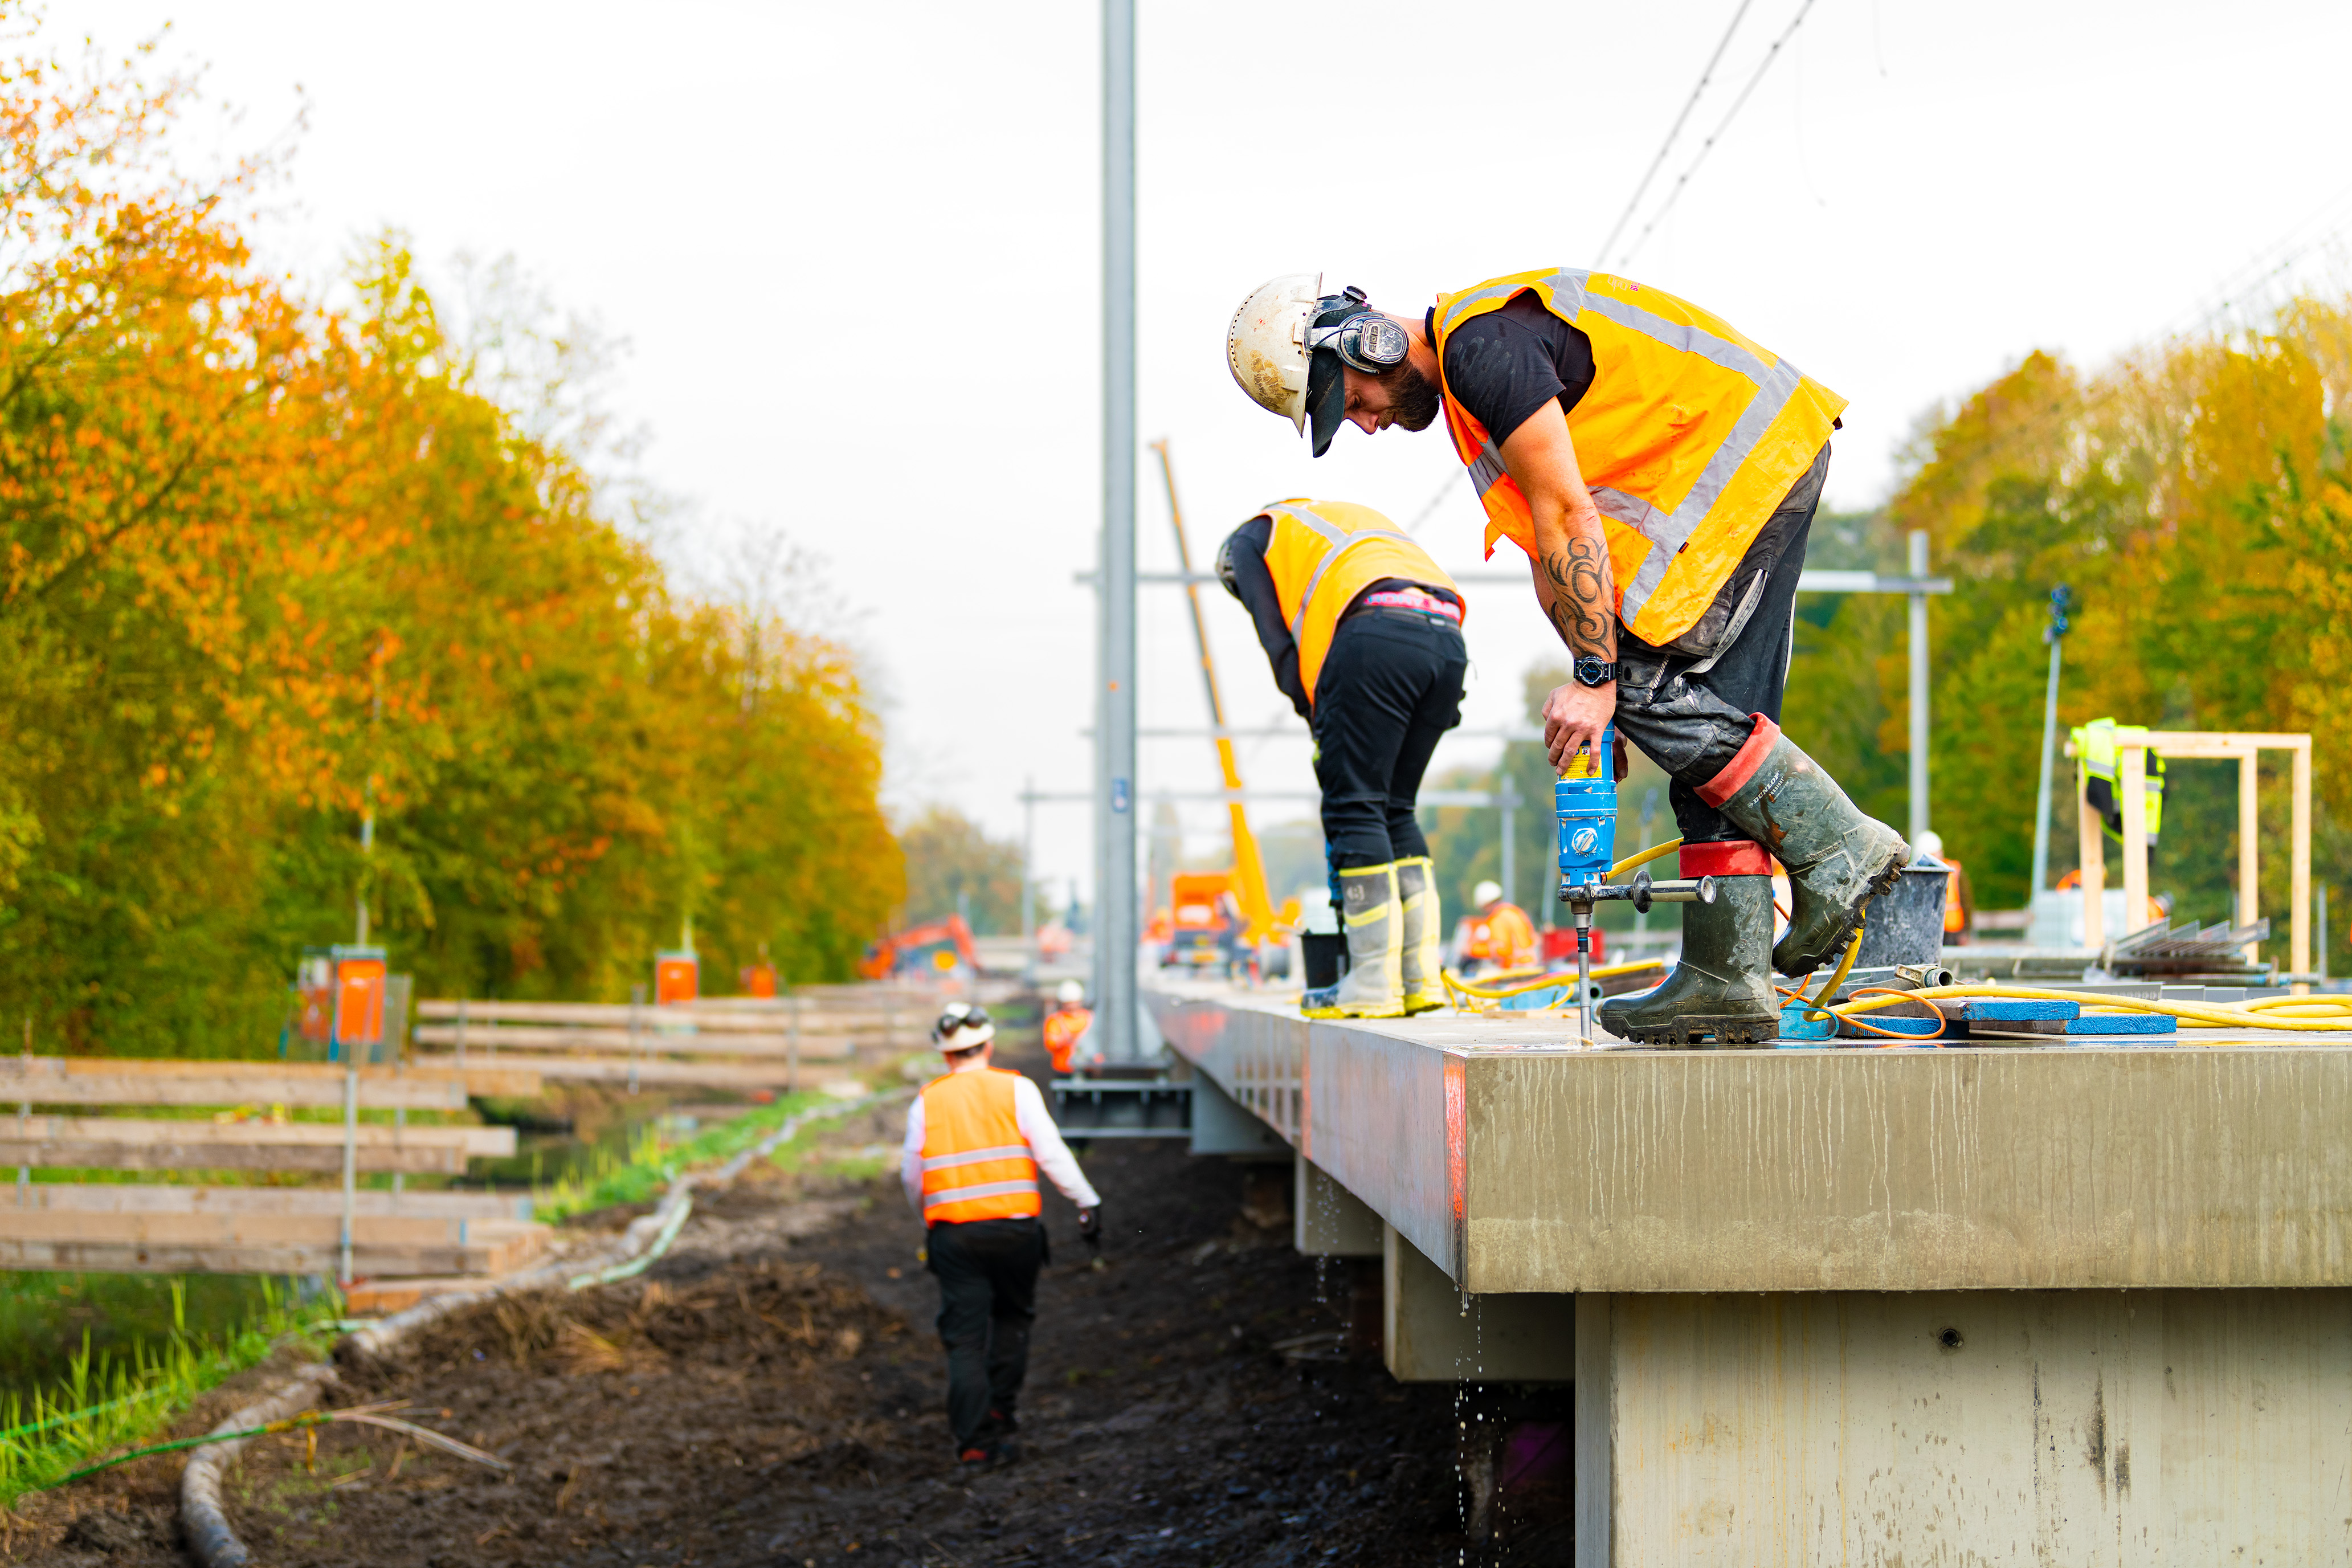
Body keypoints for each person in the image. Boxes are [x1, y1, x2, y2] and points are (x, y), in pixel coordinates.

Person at [1226, 271, 1909, 1046]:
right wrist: (1600, 694)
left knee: (1643, 688)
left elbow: (1566, 511)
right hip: (1756, 465)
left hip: (1744, 471)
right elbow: (1543, 548)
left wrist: (1597, 679)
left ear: (1367, 342)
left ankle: (1844, 848)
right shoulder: (1467, 400)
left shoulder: (1483, 347)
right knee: (1700, 732)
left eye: (1351, 402)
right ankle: (1728, 982)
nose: (1369, 425)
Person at [1215, 498, 1465, 1018]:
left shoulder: (1246, 543)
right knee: (1395, 808)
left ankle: (1373, 981)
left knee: (1354, 806)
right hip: (1446, 640)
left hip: (1374, 634)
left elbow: (1280, 646)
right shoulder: (1327, 525)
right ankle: (1419, 981)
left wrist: (1318, 715)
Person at [900, 1002, 1101, 1466]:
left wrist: (927, 1219)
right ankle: (1000, 1409)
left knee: (966, 1340)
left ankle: (974, 1442)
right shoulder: (1018, 1090)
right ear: (989, 1045)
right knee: (1013, 1320)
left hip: (954, 1236)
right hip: (1016, 1231)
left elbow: (912, 1175)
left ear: (945, 1055)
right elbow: (1050, 1153)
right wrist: (1087, 1201)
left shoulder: (927, 1101)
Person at [1458, 879, 1538, 975]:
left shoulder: (1498, 919)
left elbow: (1502, 950)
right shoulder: (1515, 912)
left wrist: (1472, 950)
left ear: (1486, 904)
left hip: (1516, 969)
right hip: (1530, 966)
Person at [1915, 830, 1973, 945]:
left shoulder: (1954, 871)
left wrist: (1965, 931)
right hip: (1931, 931)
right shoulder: (1918, 875)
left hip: (1953, 931)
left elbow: (1966, 901)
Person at [1040, 981, 1091, 1075]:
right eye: (1068, 1002)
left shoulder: (1089, 1018)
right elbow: (1050, 1044)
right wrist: (1066, 1040)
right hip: (1063, 1070)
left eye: (1073, 1002)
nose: (1070, 1005)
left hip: (1088, 1068)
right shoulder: (1055, 1020)